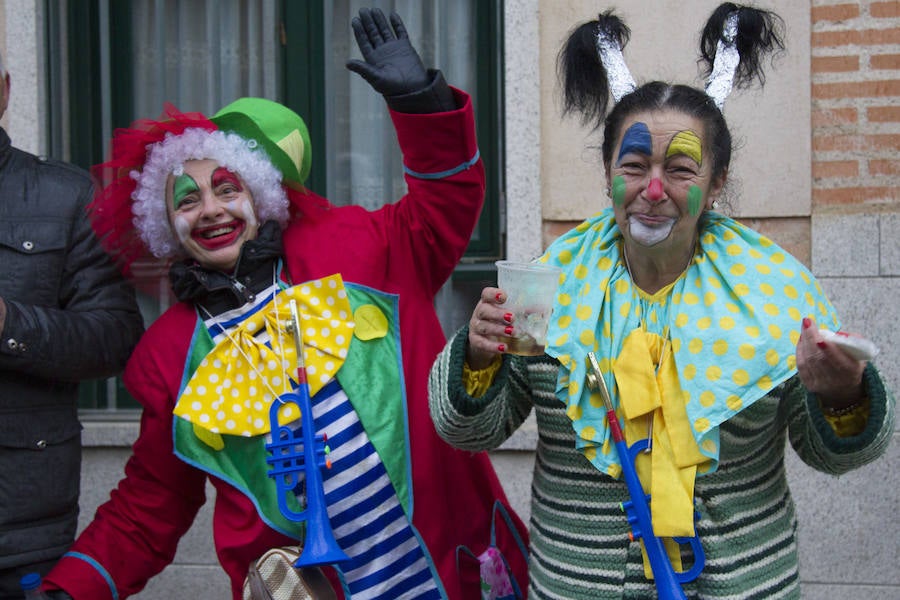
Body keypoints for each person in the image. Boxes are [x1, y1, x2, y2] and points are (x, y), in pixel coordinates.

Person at [41, 7, 527, 600]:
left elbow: (445, 206)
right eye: (187, 201)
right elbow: (150, 506)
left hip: (452, 566)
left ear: (259, 195)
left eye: (227, 188)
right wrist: (72, 588)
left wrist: (422, 107)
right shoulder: (169, 356)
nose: (212, 210)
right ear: (167, 225)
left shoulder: (357, 247)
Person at [428, 4, 894, 599]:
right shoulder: (549, 287)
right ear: (607, 172)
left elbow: (838, 456)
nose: (653, 190)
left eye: (680, 169)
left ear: (716, 182)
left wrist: (841, 394)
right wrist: (476, 356)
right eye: (634, 164)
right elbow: (468, 434)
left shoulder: (776, 293)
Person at [0, 50, 144, 599]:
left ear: (7, 91)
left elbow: (114, 338)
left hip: (22, 533)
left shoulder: (66, 196)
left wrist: (10, 324)